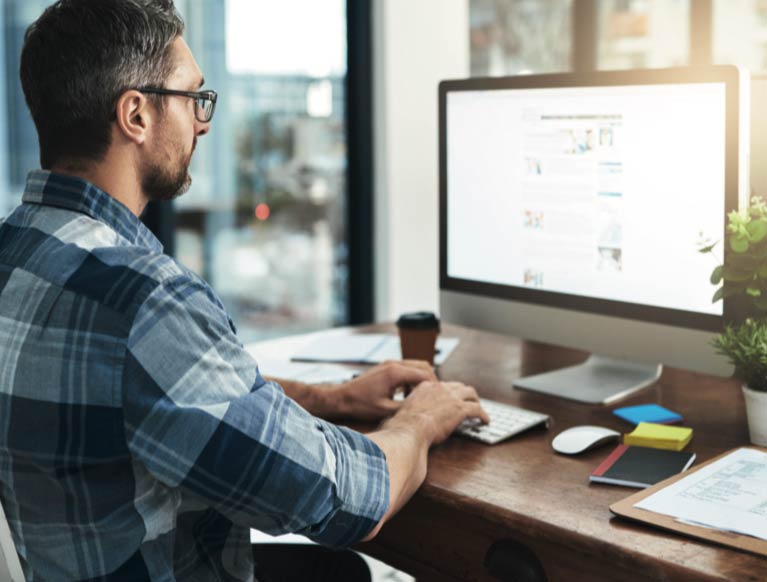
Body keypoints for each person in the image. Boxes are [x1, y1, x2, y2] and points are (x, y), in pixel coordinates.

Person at [0, 1, 489, 580]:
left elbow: (158, 393)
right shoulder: (143, 298)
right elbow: (345, 499)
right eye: (192, 98)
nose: (203, 121)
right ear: (135, 115)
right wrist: (422, 421)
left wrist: (334, 398)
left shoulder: (18, 251)